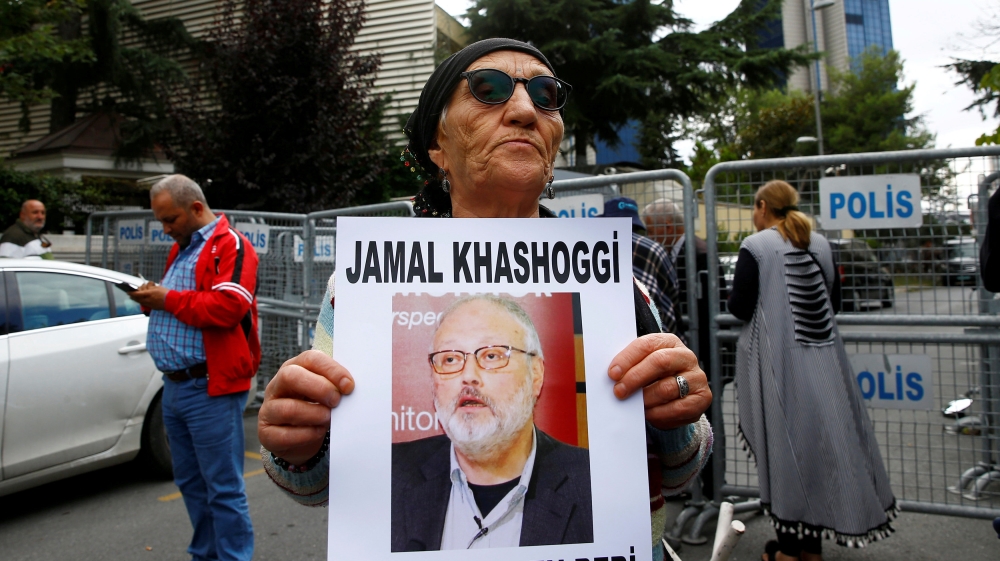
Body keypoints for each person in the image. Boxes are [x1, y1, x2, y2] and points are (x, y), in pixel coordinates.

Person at [257, 38, 713, 561]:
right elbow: (319, 487)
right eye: (488, 89)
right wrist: (296, 447)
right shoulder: (358, 292)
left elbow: (679, 470)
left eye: (546, 95)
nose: (524, 110)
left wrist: (676, 419)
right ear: (437, 145)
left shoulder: (613, 283)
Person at [727, 180, 895, 561]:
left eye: (755, 208)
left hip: (780, 366)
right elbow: (832, 301)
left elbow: (739, 306)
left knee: (787, 452)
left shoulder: (756, 246)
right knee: (820, 451)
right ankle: (810, 549)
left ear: (763, 206)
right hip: (826, 364)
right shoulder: (819, 243)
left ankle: (788, 551)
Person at [128, 175, 260, 561]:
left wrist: (165, 298)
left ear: (196, 209)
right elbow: (187, 300)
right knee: (189, 481)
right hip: (177, 385)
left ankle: (233, 556)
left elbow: (228, 307)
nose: (166, 229)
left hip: (209, 385)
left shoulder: (230, 244)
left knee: (222, 487)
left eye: (170, 220)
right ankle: (205, 554)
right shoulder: (183, 247)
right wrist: (152, 298)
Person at [393, 294, 591, 551]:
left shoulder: (593, 483)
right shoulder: (390, 473)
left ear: (536, 373)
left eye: (492, 356)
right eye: (450, 359)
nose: (468, 376)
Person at [643, 198, 727, 500]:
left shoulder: (698, 251)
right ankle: (710, 490)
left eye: (652, 229)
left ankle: (713, 489)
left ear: (667, 226)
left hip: (704, 346)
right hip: (695, 346)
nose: (651, 236)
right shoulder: (678, 250)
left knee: (705, 414)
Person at [601, 196, 679, 333]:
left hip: (611, 328)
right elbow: (672, 293)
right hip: (653, 337)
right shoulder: (654, 249)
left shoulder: (596, 247)